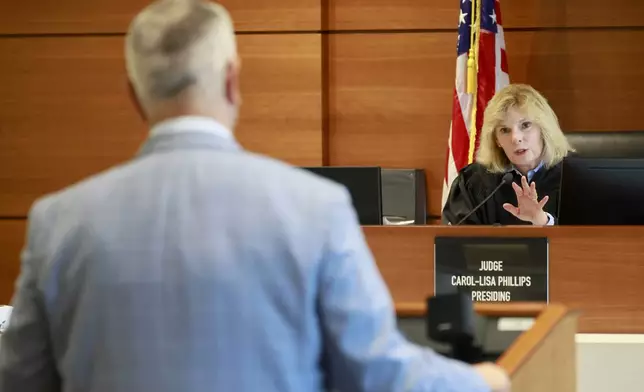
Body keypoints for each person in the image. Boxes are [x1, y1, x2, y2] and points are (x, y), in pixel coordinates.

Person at [0, 1, 509, 391]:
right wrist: (481, 381)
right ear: (233, 80)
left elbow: (18, 379)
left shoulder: (58, 221)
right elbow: (375, 371)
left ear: (134, 95)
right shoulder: (315, 207)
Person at [442, 84, 574, 225]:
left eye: (525, 125)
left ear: (544, 129)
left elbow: (589, 241)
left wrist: (544, 222)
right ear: (496, 140)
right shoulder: (473, 182)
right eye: (505, 130)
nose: (516, 138)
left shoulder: (576, 177)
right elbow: (456, 242)